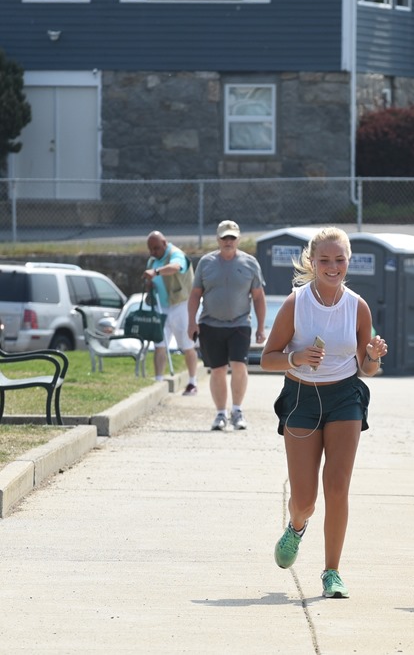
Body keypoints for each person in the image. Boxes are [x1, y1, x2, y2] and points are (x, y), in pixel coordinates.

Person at [261, 226, 388, 599]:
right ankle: (296, 526)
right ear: (312, 262)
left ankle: (332, 572)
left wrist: (373, 356)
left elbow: (368, 368)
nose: (333, 267)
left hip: (345, 397)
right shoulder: (296, 303)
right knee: (305, 500)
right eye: (325, 260)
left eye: (339, 260)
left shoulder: (357, 306)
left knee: (337, 487)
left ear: (348, 262)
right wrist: (296, 357)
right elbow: (267, 358)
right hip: (301, 397)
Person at [187, 220, 267, 431]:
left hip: (239, 324)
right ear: (218, 239)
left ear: (238, 239)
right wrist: (191, 322)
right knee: (218, 369)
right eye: (224, 237)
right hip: (210, 324)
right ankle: (221, 413)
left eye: (232, 237)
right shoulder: (206, 262)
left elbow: (258, 297)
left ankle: (237, 410)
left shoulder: (250, 263)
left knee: (239, 365)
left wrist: (261, 327)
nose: (228, 241)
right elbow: (195, 294)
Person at [143, 231, 201, 394]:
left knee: (187, 345)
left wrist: (156, 272)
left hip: (181, 305)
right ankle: (158, 380)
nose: (153, 252)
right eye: (150, 249)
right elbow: (152, 279)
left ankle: (192, 382)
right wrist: (149, 285)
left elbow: (175, 267)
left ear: (164, 243)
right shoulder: (152, 260)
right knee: (159, 345)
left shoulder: (176, 254)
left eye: (156, 248)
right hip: (161, 306)